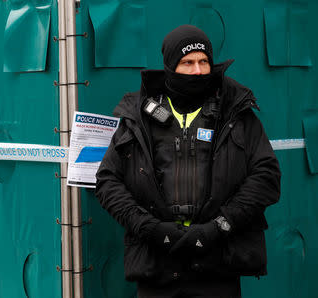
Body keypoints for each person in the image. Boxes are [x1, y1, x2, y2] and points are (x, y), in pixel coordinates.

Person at [95, 25, 281, 298]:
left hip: (218, 264)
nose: (197, 71)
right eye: (187, 63)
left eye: (204, 62)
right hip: (157, 266)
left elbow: (267, 177)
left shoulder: (237, 113)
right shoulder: (139, 117)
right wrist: (149, 228)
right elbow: (107, 181)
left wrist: (219, 227)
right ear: (170, 67)